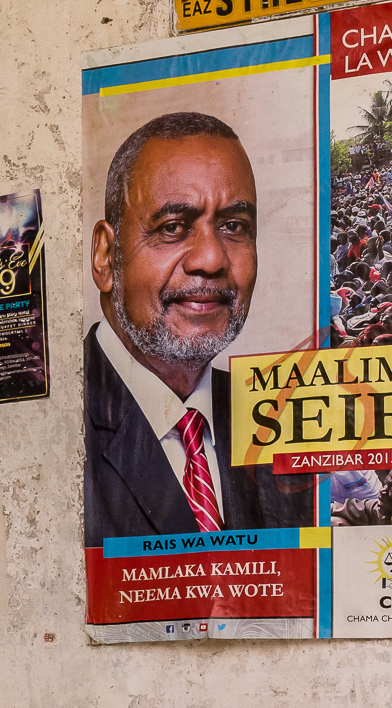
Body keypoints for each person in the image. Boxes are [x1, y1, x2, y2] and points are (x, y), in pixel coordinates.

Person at [84, 111, 312, 545]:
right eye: (172, 228)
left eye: (234, 227)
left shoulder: (286, 423)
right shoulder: (48, 429)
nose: (211, 259)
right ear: (105, 257)